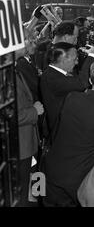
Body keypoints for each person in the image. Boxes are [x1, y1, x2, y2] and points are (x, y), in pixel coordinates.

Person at [43, 60, 94, 207]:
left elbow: (88, 118)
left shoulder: (72, 97)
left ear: (89, 80)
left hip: (50, 173)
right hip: (76, 183)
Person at [40, 42, 94, 140]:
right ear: (62, 59)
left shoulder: (61, 74)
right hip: (62, 134)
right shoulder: (50, 77)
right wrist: (93, 56)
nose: (77, 63)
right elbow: (81, 83)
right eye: (75, 59)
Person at [15, 46, 45, 207]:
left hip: (31, 141)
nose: (27, 43)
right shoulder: (5, 73)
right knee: (22, 192)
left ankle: (38, 201)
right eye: (24, 39)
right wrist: (34, 111)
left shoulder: (16, 69)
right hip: (20, 146)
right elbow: (11, 115)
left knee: (37, 180)